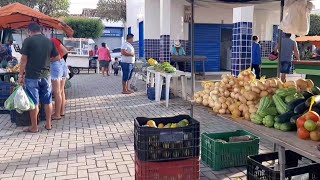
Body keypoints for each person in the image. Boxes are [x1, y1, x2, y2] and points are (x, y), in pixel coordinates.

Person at [18, 23, 60, 132]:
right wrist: (47, 62)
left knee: (34, 102)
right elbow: (57, 57)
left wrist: (20, 75)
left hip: (32, 76)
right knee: (47, 101)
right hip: (46, 76)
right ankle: (48, 124)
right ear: (39, 30)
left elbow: (23, 59)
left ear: (29, 31)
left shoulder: (28, 40)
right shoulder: (49, 41)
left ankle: (34, 127)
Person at [51, 38, 68, 119]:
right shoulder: (54, 40)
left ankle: (57, 114)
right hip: (63, 63)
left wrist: (49, 60)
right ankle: (61, 111)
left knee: (57, 92)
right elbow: (65, 51)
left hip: (55, 65)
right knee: (61, 91)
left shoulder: (49, 41)